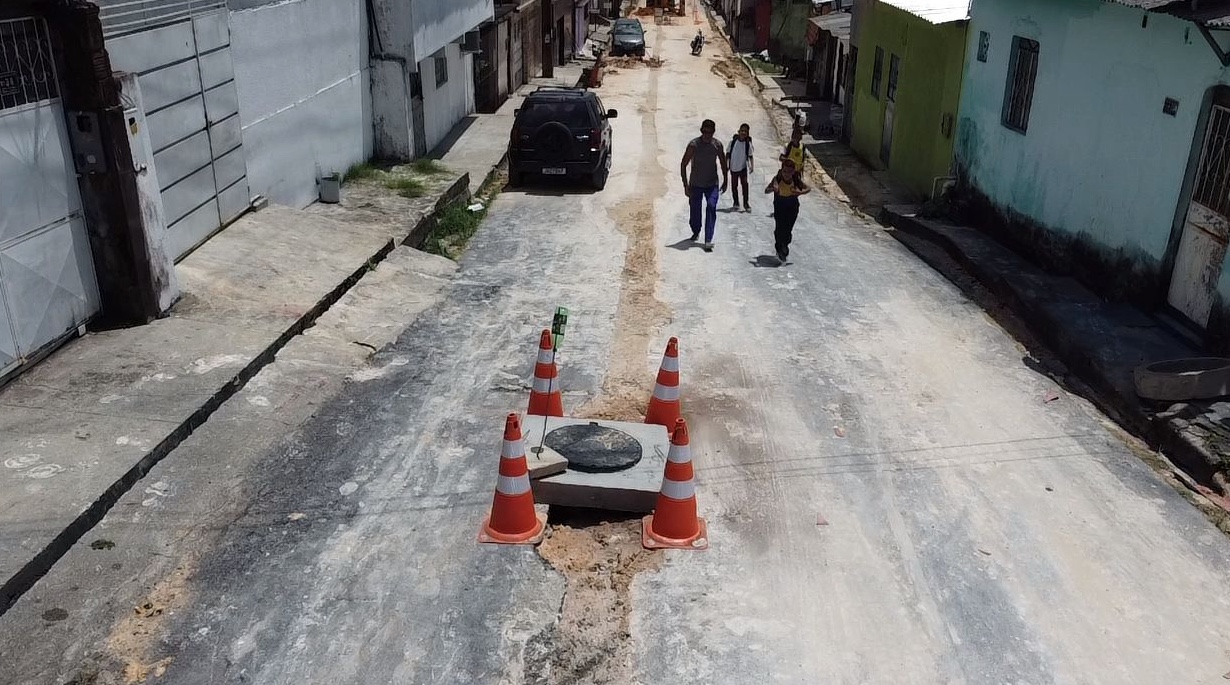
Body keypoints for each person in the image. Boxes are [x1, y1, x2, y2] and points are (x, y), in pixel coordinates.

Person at [680, 119, 729, 250]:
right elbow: (683, 164)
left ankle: (708, 239)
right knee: (695, 210)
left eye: (710, 132)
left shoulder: (717, 145)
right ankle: (696, 230)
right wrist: (685, 185)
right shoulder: (694, 145)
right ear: (702, 131)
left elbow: (723, 163)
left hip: (711, 183)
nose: (707, 135)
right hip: (696, 183)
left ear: (713, 132)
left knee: (711, 206)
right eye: (705, 132)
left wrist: (726, 179)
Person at [765, 159, 811, 263]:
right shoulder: (777, 179)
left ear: (793, 171)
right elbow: (766, 190)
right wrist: (773, 189)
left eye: (789, 172)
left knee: (788, 228)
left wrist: (799, 193)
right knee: (779, 228)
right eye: (785, 171)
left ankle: (785, 245)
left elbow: (808, 188)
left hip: (792, 206)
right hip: (780, 205)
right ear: (781, 170)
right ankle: (779, 247)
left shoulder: (795, 179)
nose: (787, 174)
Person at [727, 123, 754, 212]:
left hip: (742, 168)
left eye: (745, 131)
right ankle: (736, 202)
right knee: (734, 186)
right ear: (738, 131)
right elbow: (727, 154)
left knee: (745, 185)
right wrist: (727, 165)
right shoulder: (733, 142)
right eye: (742, 131)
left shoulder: (747, 144)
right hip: (733, 168)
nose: (743, 133)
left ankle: (746, 203)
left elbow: (750, 156)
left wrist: (751, 166)